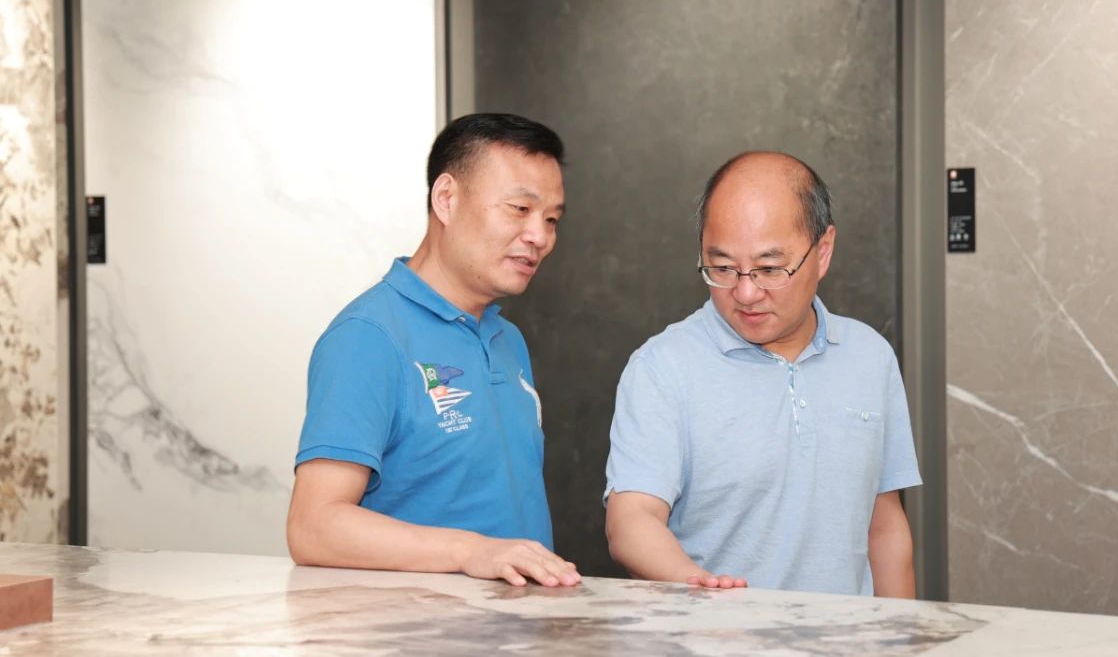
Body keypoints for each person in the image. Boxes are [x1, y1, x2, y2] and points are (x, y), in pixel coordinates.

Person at [603, 151, 920, 595]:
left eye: (770, 269)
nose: (746, 292)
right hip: (716, 629)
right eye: (722, 267)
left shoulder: (870, 357)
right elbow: (631, 521)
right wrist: (702, 588)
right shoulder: (662, 368)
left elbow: (884, 529)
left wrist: (900, 630)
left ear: (823, 251)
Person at [287, 113, 580, 588]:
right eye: (519, 209)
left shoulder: (507, 338)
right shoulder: (369, 337)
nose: (540, 237)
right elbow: (313, 527)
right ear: (446, 198)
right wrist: (470, 551)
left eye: (551, 219)